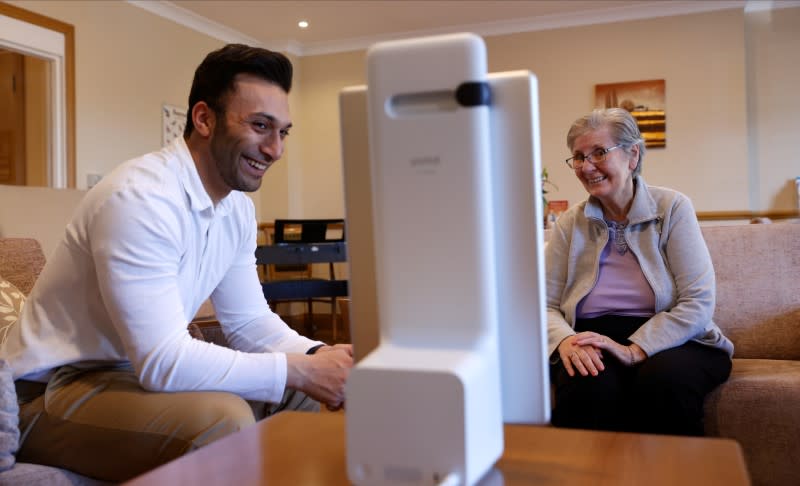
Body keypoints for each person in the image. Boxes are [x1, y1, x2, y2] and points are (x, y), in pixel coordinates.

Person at [1, 44, 353, 481]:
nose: (275, 149)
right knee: (221, 418)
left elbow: (249, 324)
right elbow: (162, 360)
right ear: (204, 119)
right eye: (260, 126)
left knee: (297, 395)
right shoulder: (139, 198)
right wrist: (298, 369)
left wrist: (322, 357)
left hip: (127, 378)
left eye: (283, 132)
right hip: (48, 391)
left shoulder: (236, 209)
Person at [546, 108, 733, 436]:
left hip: (676, 338)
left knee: (665, 380)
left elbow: (698, 301)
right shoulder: (568, 223)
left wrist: (636, 350)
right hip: (592, 336)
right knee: (586, 382)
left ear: (632, 155)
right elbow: (543, 304)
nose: (587, 166)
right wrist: (566, 340)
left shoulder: (672, 208)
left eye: (599, 153)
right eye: (578, 156)